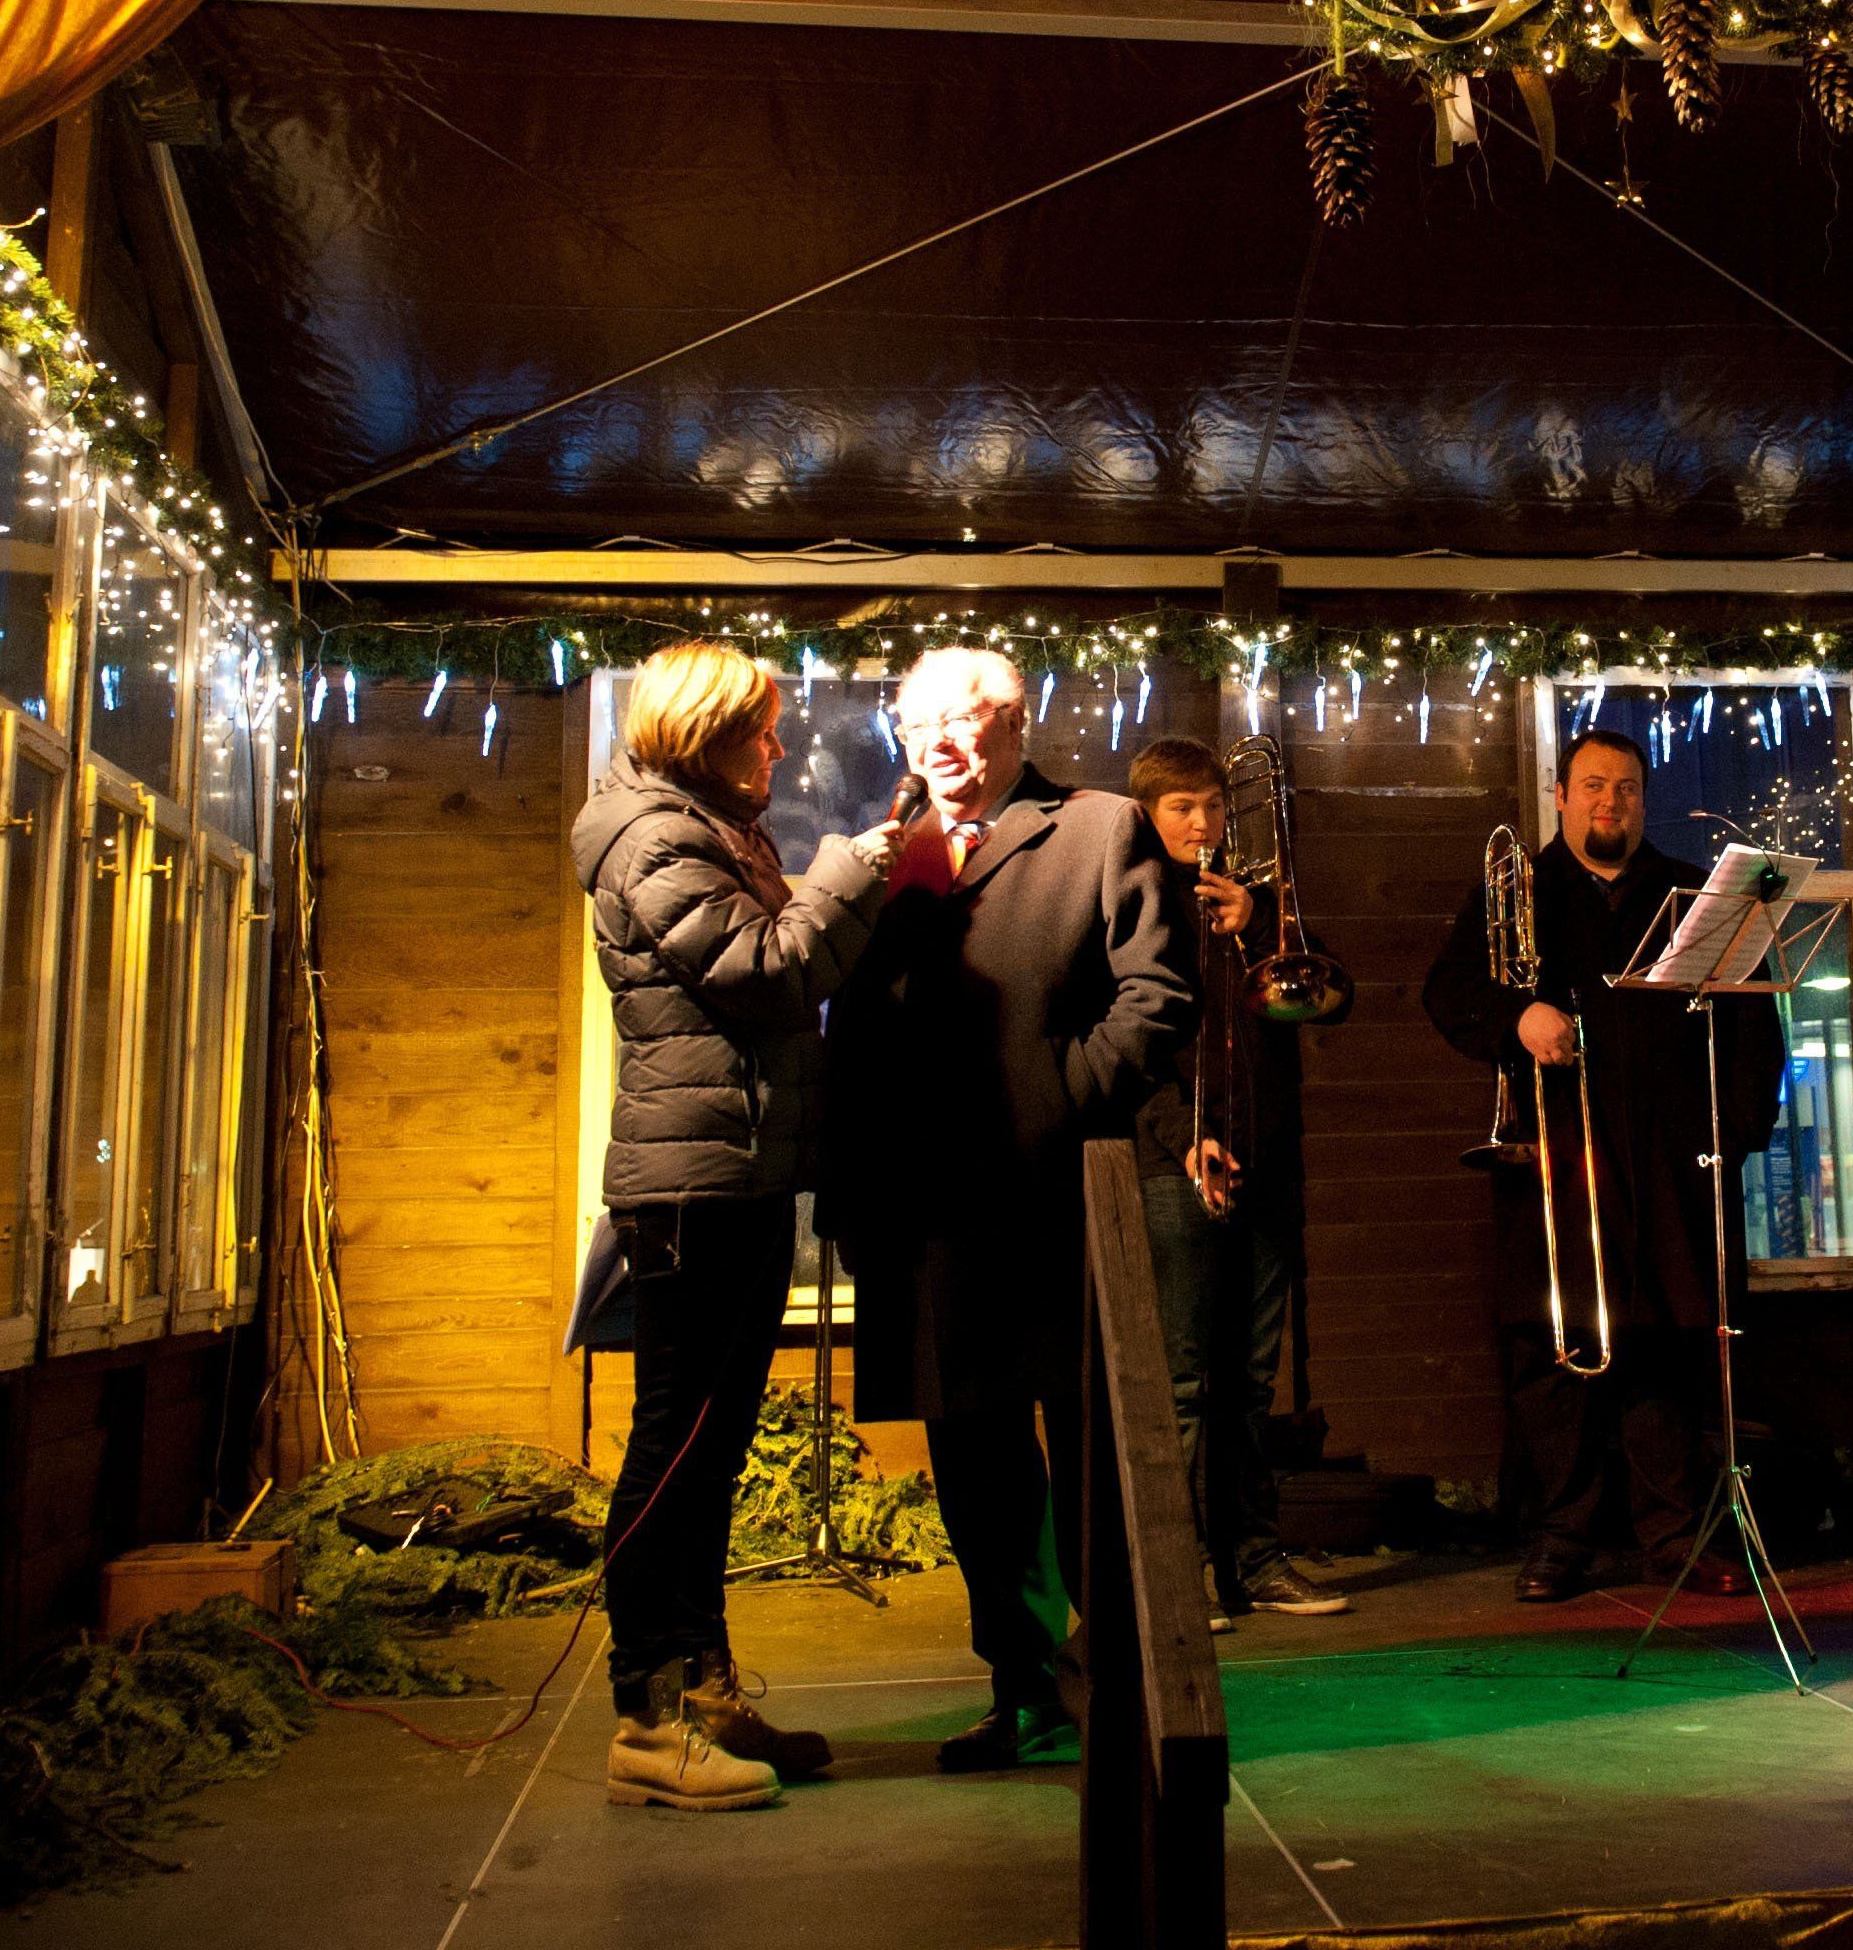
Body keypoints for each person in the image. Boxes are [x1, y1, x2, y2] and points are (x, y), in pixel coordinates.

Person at [823, 647, 1198, 1769]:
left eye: (962, 720)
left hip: (1057, 1200)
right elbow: (854, 1030)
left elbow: (1157, 998)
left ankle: (1116, 1685)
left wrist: (1057, 1100)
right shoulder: (889, 853)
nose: (938, 742)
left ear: (1013, 723)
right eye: (918, 725)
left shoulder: (1096, 827)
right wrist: (852, 1189)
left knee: (1091, 1460)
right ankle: (1020, 1684)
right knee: (975, 1471)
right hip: (927, 1216)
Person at [568, 640, 901, 1810]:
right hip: (689, 1190)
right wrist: (850, 868)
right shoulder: (655, 840)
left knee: (706, 1453)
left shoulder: (707, 829)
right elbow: (768, 971)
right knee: (672, 1452)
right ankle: (644, 1719)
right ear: (701, 735)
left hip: (738, 1178)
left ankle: (701, 1689)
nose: (777, 745)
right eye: (757, 730)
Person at [1421, 727, 1780, 1605]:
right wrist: (1517, 1018)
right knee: (1552, 1357)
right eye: (1592, 785)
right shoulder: (1516, 891)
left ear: (1643, 799)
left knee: (1665, 1348)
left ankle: (1674, 1536)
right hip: (1554, 1158)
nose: (1609, 802)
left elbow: (1752, 1025)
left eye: (1625, 787)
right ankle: (1560, 1539)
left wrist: (1732, 1138)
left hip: (1668, 1164)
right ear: (1560, 795)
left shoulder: (1694, 895)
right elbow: (1449, 993)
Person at [1128, 738, 1352, 1625]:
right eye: (1183, 808)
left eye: (1215, 807)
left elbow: (1328, 997)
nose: (1204, 825)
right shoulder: (1135, 903)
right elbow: (1130, 1049)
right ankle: (1183, 1568)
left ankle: (1254, 1560)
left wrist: (1259, 922)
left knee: (1254, 1381)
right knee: (1184, 1383)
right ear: (1148, 815)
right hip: (1174, 1164)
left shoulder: (1257, 905)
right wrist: (1184, 1139)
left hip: (1267, 1159)